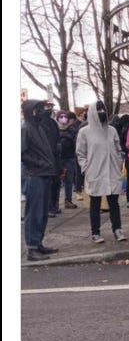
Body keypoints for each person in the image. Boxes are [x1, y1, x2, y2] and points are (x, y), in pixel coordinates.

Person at [76, 101, 127, 243]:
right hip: (95, 172)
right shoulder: (84, 132)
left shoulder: (112, 130)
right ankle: (95, 232)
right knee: (95, 203)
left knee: (114, 203)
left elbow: (118, 148)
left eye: (103, 110)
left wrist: (118, 162)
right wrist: (86, 168)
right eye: (98, 111)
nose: (101, 113)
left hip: (112, 171)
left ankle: (117, 229)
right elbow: (80, 153)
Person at [21, 99, 59, 261]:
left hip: (44, 173)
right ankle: (32, 248)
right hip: (34, 175)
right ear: (31, 111)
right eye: (39, 109)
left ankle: (38, 243)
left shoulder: (38, 127)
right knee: (34, 212)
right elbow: (22, 153)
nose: (43, 111)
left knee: (42, 212)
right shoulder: (25, 129)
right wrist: (41, 163)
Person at [57, 111, 78, 208]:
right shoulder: (54, 129)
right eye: (61, 117)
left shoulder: (72, 129)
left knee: (69, 181)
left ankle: (68, 200)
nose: (63, 118)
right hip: (58, 159)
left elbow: (75, 141)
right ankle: (55, 202)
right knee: (57, 182)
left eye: (65, 117)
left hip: (69, 158)